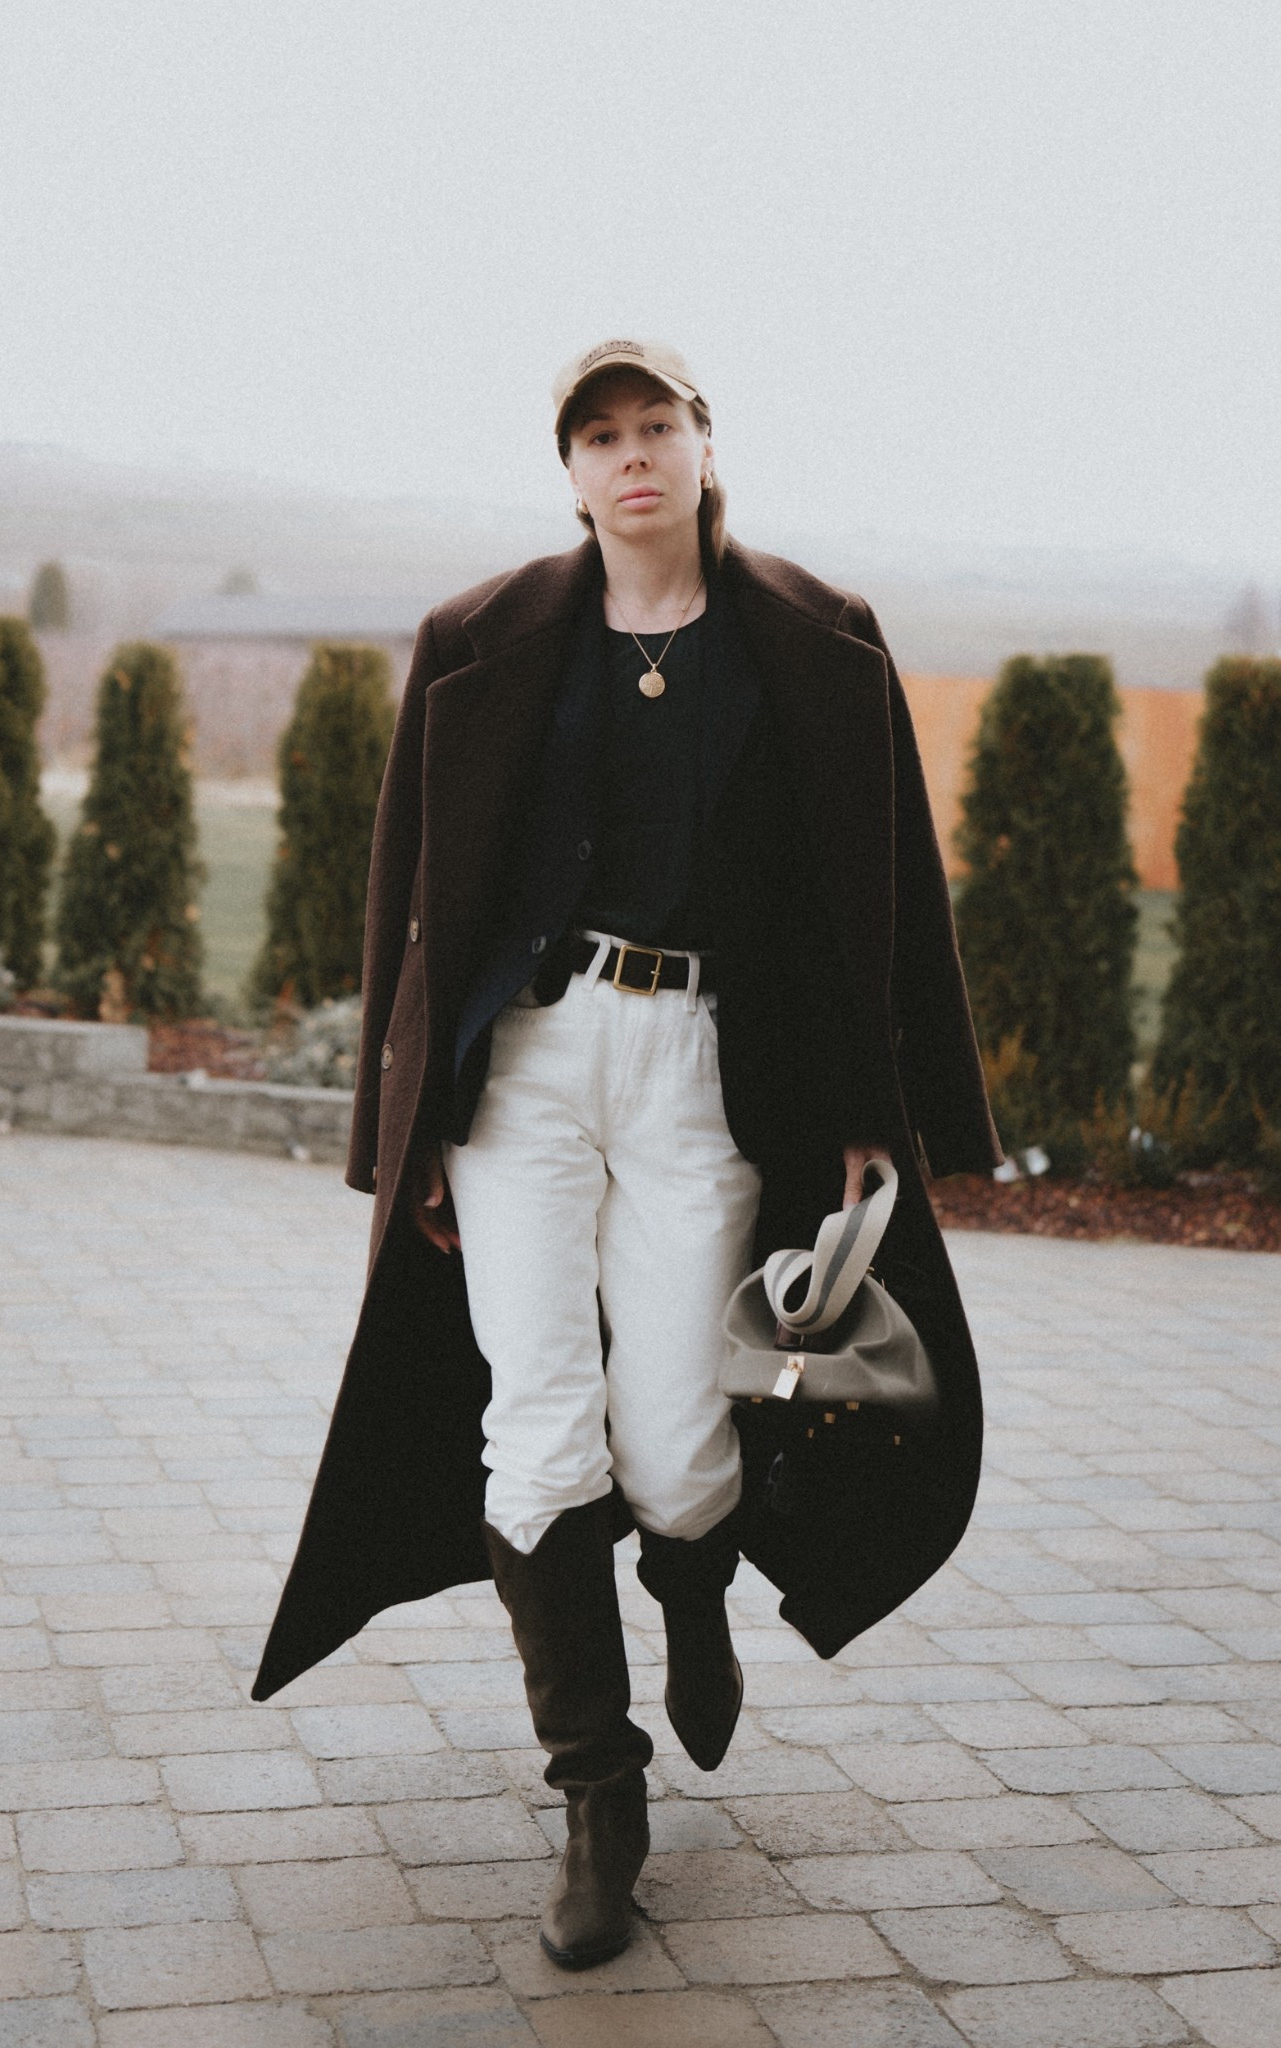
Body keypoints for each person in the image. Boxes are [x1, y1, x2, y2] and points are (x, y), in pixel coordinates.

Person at [253, 339, 1001, 1972]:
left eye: (656, 424)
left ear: (703, 443)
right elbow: (416, 895)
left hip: (701, 1072)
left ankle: (691, 1597)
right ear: (571, 470)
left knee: (673, 1447)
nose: (632, 455)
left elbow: (874, 892)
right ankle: (600, 1793)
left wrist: (881, 1104)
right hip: (528, 1065)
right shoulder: (483, 640)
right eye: (601, 435)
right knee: (536, 1429)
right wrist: (411, 1131)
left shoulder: (813, 637)